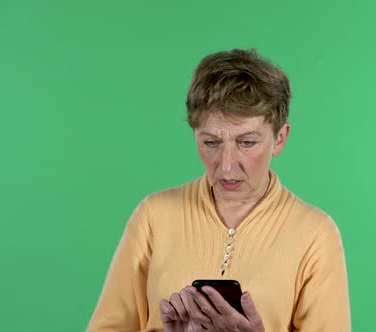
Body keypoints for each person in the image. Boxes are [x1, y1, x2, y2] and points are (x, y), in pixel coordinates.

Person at [86, 49, 351, 331]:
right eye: (211, 142)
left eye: (247, 142)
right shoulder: (154, 215)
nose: (225, 167)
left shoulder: (315, 234)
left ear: (279, 138)